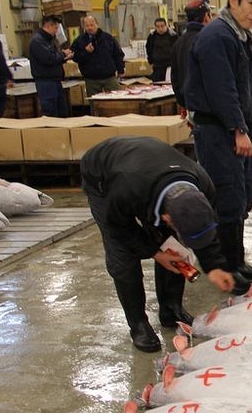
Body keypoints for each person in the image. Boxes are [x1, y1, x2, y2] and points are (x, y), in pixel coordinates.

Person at [81, 136, 236, 352]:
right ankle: (138, 324)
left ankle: (171, 309)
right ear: (166, 217)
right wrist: (155, 252)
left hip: (149, 170)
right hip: (103, 177)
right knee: (123, 257)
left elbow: (204, 227)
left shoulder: (203, 186)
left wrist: (214, 266)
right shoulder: (126, 191)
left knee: (174, 248)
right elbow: (119, 229)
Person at [185, 0, 252, 289]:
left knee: (241, 197)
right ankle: (226, 267)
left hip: (239, 128)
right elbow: (222, 90)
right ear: (233, 1)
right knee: (225, 197)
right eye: (251, 4)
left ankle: (237, 261)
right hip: (217, 131)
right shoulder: (217, 36)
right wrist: (238, 129)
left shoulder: (245, 38)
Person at [172, 0, 213, 113]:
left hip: (189, 104)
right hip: (208, 108)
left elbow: (175, 77)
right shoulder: (209, 40)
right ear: (206, 16)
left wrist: (182, 103)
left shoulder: (178, 43)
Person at [29, 14, 73, 118]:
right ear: (48, 26)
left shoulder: (48, 40)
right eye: (56, 28)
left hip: (55, 81)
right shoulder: (37, 41)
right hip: (46, 83)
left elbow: (53, 56)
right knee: (51, 113)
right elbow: (49, 58)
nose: (57, 31)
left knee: (62, 112)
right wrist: (63, 55)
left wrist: (62, 56)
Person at [71, 15, 124, 97]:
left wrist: (120, 70)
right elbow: (75, 57)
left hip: (109, 78)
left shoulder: (108, 38)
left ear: (97, 24)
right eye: (87, 26)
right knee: (95, 105)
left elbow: (118, 54)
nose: (89, 28)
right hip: (91, 80)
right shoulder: (80, 41)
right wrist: (86, 52)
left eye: (91, 25)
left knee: (115, 102)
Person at [145, 17, 178, 82]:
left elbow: (177, 50)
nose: (160, 29)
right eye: (158, 26)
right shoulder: (152, 36)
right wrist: (150, 60)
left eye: (162, 26)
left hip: (170, 66)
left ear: (166, 26)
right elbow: (148, 48)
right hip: (157, 66)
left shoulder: (173, 36)